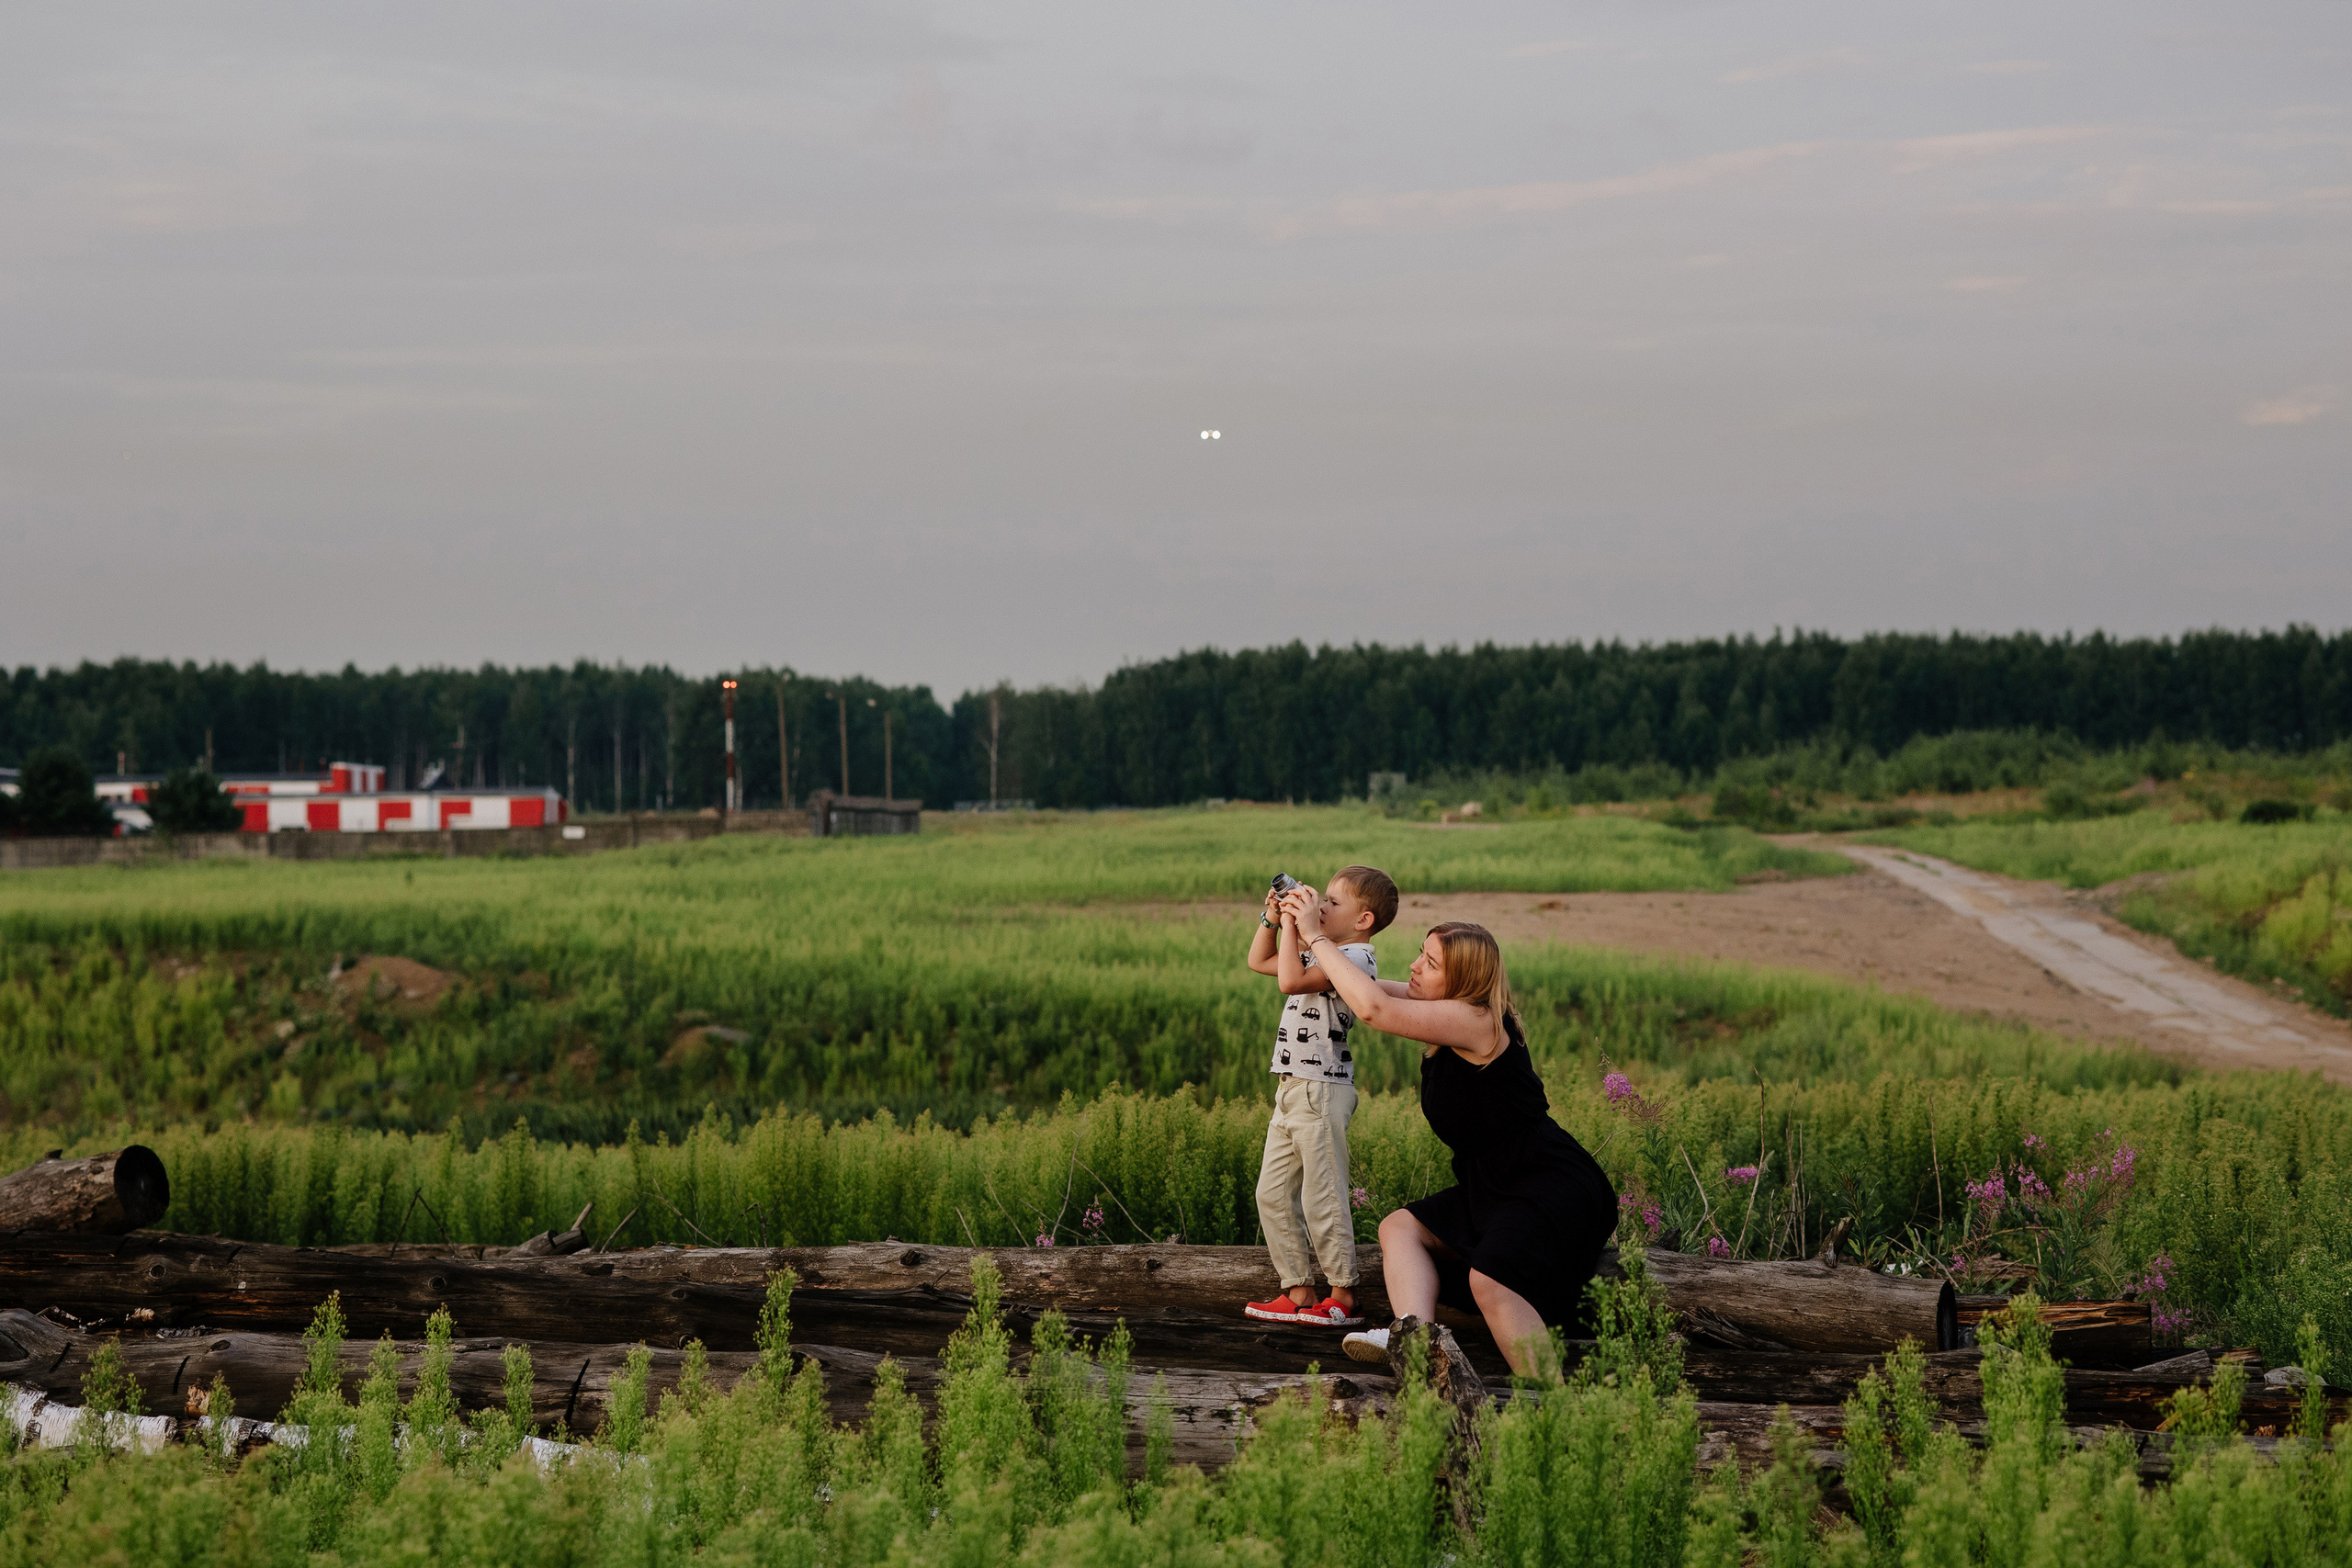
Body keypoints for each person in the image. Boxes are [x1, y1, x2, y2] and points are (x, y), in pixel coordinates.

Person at [1272, 897, 1617, 1373]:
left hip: (1549, 1183)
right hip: (1493, 1184)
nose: (1414, 966)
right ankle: (1413, 1336)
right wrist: (1286, 922)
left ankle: (1548, 1404)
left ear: (1462, 983)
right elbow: (1352, 987)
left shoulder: (1475, 1019)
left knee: (1489, 1280)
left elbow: (1372, 1008)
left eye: (1430, 964)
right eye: (1420, 952)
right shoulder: (1438, 1007)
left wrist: (1317, 935)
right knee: (1400, 1227)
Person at [1238, 865, 1400, 1328]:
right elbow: (1260, 963)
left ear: (1363, 920)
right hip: (1290, 1089)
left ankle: (1344, 1295)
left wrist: (1299, 926)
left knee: (1322, 1195)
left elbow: (1288, 980)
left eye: (1332, 902)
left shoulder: (1356, 959)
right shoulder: (1322, 951)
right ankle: (1298, 1291)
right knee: (1271, 1193)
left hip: (1322, 1089)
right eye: (1320, 899)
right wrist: (1274, 918)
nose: (1321, 907)